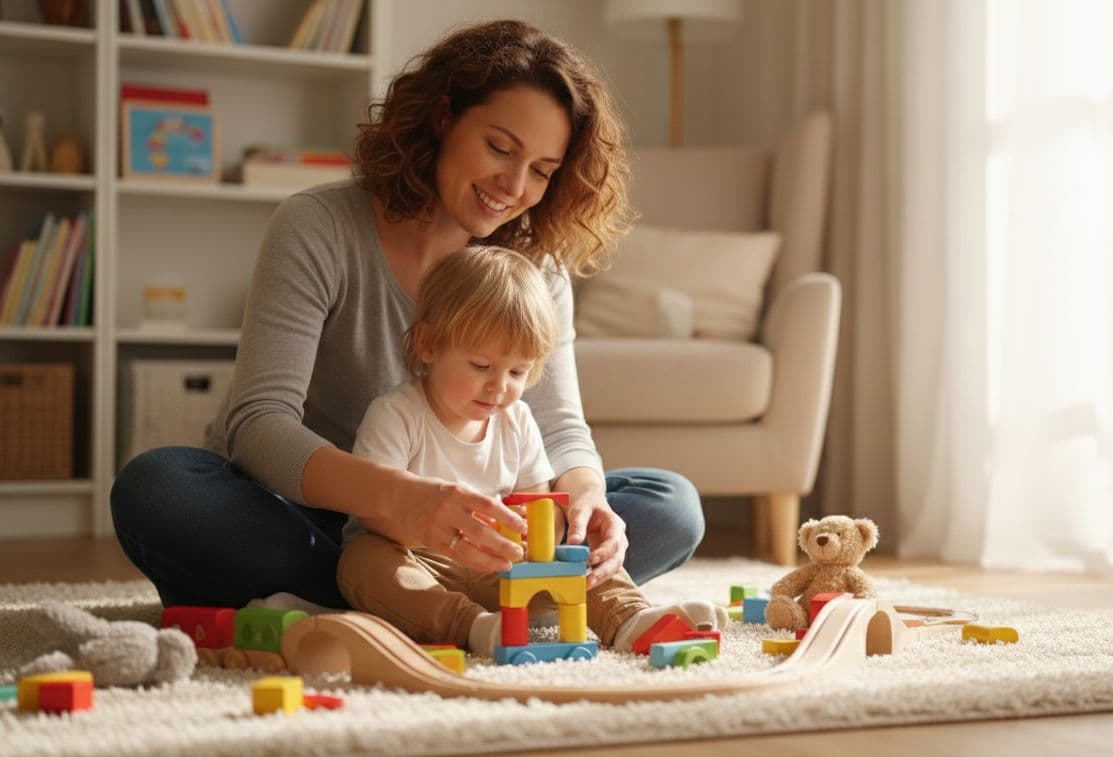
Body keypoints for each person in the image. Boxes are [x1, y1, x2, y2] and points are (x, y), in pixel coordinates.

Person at [110, 19, 705, 611]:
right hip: (314, 510)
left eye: (543, 171)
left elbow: (560, 429)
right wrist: (401, 503)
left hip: (479, 529)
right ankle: (422, 594)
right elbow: (259, 425)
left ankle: (381, 601)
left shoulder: (538, 268)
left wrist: (586, 499)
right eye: (500, 148)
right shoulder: (318, 227)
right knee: (160, 490)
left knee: (669, 504)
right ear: (443, 116)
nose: (515, 186)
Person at [340, 245, 721, 655]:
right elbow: (374, 513)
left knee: (577, 550)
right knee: (363, 562)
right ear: (429, 345)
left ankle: (628, 617)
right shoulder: (396, 414)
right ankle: (473, 627)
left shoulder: (517, 420)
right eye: (481, 366)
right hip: (423, 562)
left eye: (517, 372)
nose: (499, 387)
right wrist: (446, 531)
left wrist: (534, 526)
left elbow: (545, 508)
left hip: (502, 567)